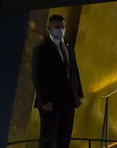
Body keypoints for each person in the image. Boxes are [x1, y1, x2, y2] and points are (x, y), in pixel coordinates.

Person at [32, 13, 83, 148]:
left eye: (63, 27)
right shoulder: (41, 49)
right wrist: (45, 100)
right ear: (49, 28)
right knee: (47, 138)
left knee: (64, 137)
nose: (60, 30)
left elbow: (74, 71)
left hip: (68, 101)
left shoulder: (67, 46)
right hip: (50, 103)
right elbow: (38, 76)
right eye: (57, 27)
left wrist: (79, 94)